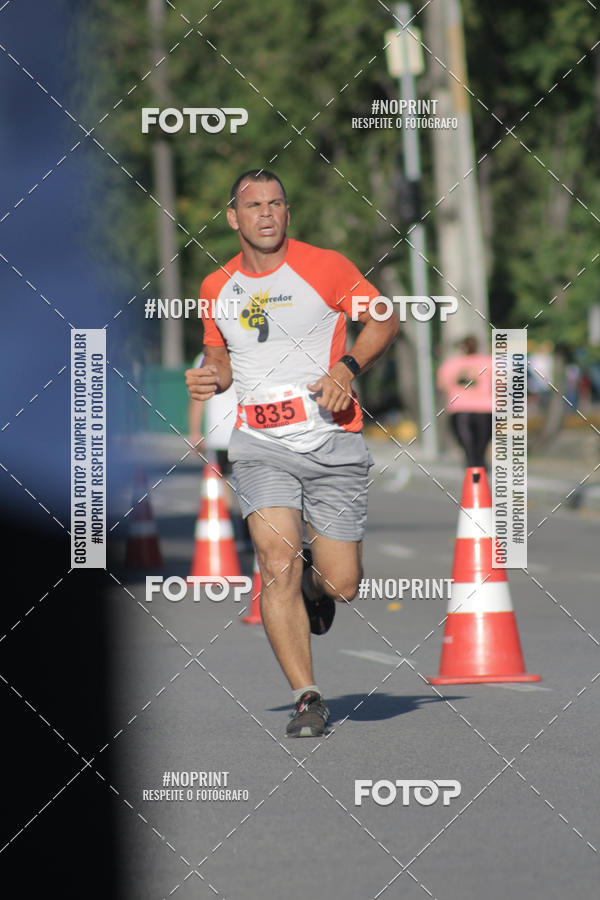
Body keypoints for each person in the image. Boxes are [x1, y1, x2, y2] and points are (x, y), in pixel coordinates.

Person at [185, 169, 398, 737]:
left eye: (276, 203)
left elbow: (384, 319)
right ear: (233, 217)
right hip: (260, 445)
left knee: (342, 584)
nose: (266, 213)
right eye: (253, 205)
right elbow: (220, 357)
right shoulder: (216, 285)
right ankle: (307, 698)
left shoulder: (326, 267)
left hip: (332, 439)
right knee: (275, 563)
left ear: (287, 211)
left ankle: (316, 584)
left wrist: (346, 368)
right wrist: (210, 378)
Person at [188, 352, 251, 550]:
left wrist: (195, 432)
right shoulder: (244, 351)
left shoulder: (204, 358)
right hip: (244, 432)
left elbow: (197, 400)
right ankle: (246, 534)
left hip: (221, 435)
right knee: (245, 488)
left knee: (224, 489)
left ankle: (230, 533)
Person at [437, 335, 493, 468]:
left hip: (460, 409)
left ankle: (472, 468)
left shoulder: (451, 364)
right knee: (481, 447)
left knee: (468, 447)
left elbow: (442, 386)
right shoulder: (488, 362)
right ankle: (480, 468)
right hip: (485, 409)